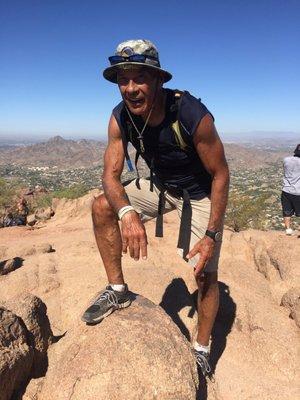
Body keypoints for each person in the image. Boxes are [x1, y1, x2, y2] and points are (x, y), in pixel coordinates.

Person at [82, 39, 230, 377]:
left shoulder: (191, 114)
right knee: (103, 206)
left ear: (158, 79)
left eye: (140, 78)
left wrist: (211, 234)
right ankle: (118, 290)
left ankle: (202, 348)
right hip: (161, 188)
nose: (130, 88)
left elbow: (221, 173)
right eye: (123, 79)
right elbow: (110, 174)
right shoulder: (121, 117)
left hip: (200, 194)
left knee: (204, 274)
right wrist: (126, 212)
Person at [281, 144, 300, 235]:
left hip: (286, 190)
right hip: (298, 192)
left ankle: (288, 229)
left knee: (287, 211)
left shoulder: (286, 160)